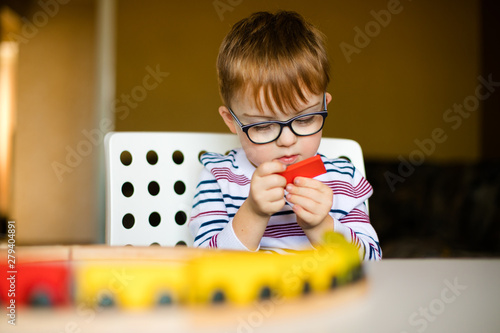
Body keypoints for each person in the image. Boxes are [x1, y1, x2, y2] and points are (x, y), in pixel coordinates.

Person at [189, 11, 381, 260]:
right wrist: (253, 213)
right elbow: (205, 264)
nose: (288, 140)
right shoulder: (219, 178)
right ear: (232, 122)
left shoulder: (344, 179)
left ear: (324, 106)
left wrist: (321, 227)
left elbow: (371, 262)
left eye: (304, 119)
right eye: (263, 126)